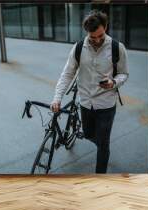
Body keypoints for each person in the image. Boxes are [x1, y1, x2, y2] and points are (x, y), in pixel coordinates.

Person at [51, 10, 129, 173]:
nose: (97, 40)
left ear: (105, 27)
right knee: (88, 135)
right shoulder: (79, 48)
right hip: (86, 103)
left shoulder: (117, 47)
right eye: (93, 37)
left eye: (100, 35)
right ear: (87, 32)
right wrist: (57, 98)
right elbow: (67, 74)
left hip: (106, 104)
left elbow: (124, 74)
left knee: (103, 144)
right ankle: (100, 142)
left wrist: (113, 82)